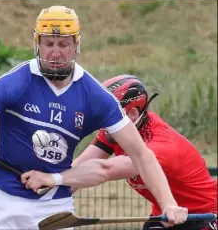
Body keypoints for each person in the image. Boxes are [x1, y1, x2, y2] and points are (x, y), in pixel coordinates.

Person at [0, 6, 188, 229]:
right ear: (37, 43)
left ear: (76, 46)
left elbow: (141, 153)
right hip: (2, 202)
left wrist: (169, 204)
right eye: (48, 44)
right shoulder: (16, 82)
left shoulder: (95, 96)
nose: (55, 52)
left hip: (55, 207)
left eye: (63, 45)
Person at [21, 75, 217, 230]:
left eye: (109, 112)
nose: (102, 119)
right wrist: (41, 197)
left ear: (132, 114)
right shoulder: (115, 132)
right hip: (165, 214)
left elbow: (105, 169)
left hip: (205, 215)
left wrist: (53, 179)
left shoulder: (161, 147)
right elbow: (79, 166)